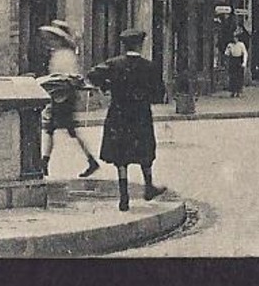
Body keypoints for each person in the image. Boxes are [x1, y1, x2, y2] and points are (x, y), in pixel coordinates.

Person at [86, 27, 166, 211]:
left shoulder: (113, 64)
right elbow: (159, 94)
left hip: (119, 113)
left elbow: (92, 75)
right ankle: (148, 187)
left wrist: (106, 86)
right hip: (141, 114)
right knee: (145, 150)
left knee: (120, 154)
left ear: (125, 46)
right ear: (140, 45)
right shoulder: (150, 66)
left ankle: (124, 197)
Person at [36, 21, 100, 178]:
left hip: (64, 97)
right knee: (53, 129)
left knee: (62, 130)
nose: (50, 42)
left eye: (53, 39)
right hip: (58, 96)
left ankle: (90, 161)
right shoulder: (59, 53)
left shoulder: (65, 55)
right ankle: (45, 163)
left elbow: (68, 78)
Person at [223, 31, 249, 97]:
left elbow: (245, 53)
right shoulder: (230, 45)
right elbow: (226, 53)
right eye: (234, 38)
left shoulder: (241, 44)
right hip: (233, 60)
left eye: (236, 38)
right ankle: (232, 91)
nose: (235, 39)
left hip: (239, 60)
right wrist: (227, 52)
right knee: (232, 76)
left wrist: (244, 62)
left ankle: (239, 91)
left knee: (239, 76)